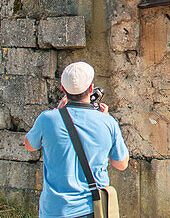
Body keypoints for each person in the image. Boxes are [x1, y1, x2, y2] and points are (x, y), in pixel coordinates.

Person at [24, 61, 129, 218]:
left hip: (55, 210)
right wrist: (106, 119)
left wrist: (57, 111)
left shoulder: (47, 119)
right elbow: (121, 164)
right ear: (91, 88)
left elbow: (29, 145)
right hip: (92, 208)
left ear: (63, 89)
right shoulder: (108, 122)